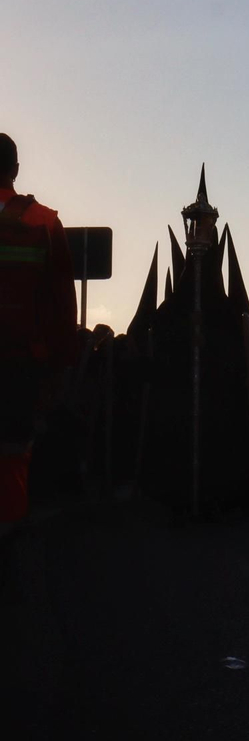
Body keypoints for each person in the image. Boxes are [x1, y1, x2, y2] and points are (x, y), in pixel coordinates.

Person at [0, 134, 77, 539]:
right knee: (13, 452)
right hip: (19, 366)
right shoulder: (44, 223)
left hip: (21, 362)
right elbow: (63, 304)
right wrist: (61, 364)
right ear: (14, 169)